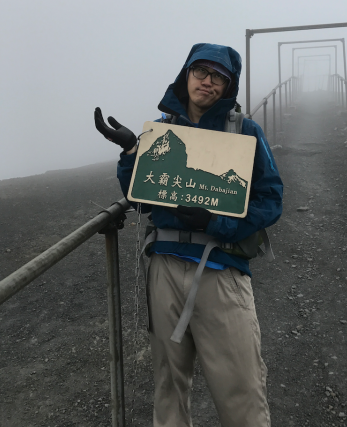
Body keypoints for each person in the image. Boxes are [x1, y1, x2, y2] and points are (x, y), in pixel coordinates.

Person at [94, 42, 283, 427]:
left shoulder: (244, 131)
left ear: (228, 86)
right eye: (201, 72)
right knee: (168, 386)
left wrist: (216, 222)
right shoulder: (162, 131)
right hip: (164, 265)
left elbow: (271, 197)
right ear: (187, 74)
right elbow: (139, 196)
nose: (208, 82)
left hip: (221, 267)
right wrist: (131, 150)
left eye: (219, 77)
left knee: (241, 388)